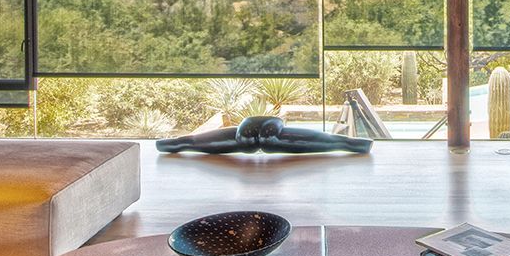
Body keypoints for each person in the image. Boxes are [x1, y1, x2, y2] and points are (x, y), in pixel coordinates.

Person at [156, 115, 372, 155]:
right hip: (253, 128)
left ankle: (350, 144)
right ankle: (176, 144)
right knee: (249, 140)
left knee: (266, 140)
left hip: (270, 126)